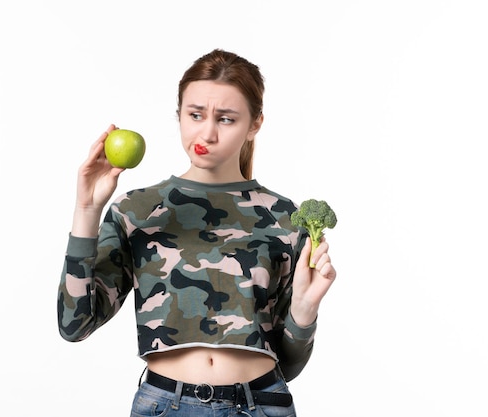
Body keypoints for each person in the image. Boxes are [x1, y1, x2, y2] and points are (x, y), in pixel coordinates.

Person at [57, 48, 337, 416]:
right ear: (179, 116)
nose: (207, 132)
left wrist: (304, 309)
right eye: (195, 115)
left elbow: (290, 365)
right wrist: (87, 210)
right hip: (163, 405)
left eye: (226, 119)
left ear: (254, 124)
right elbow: (74, 324)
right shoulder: (137, 210)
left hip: (261, 404)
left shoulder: (286, 217)